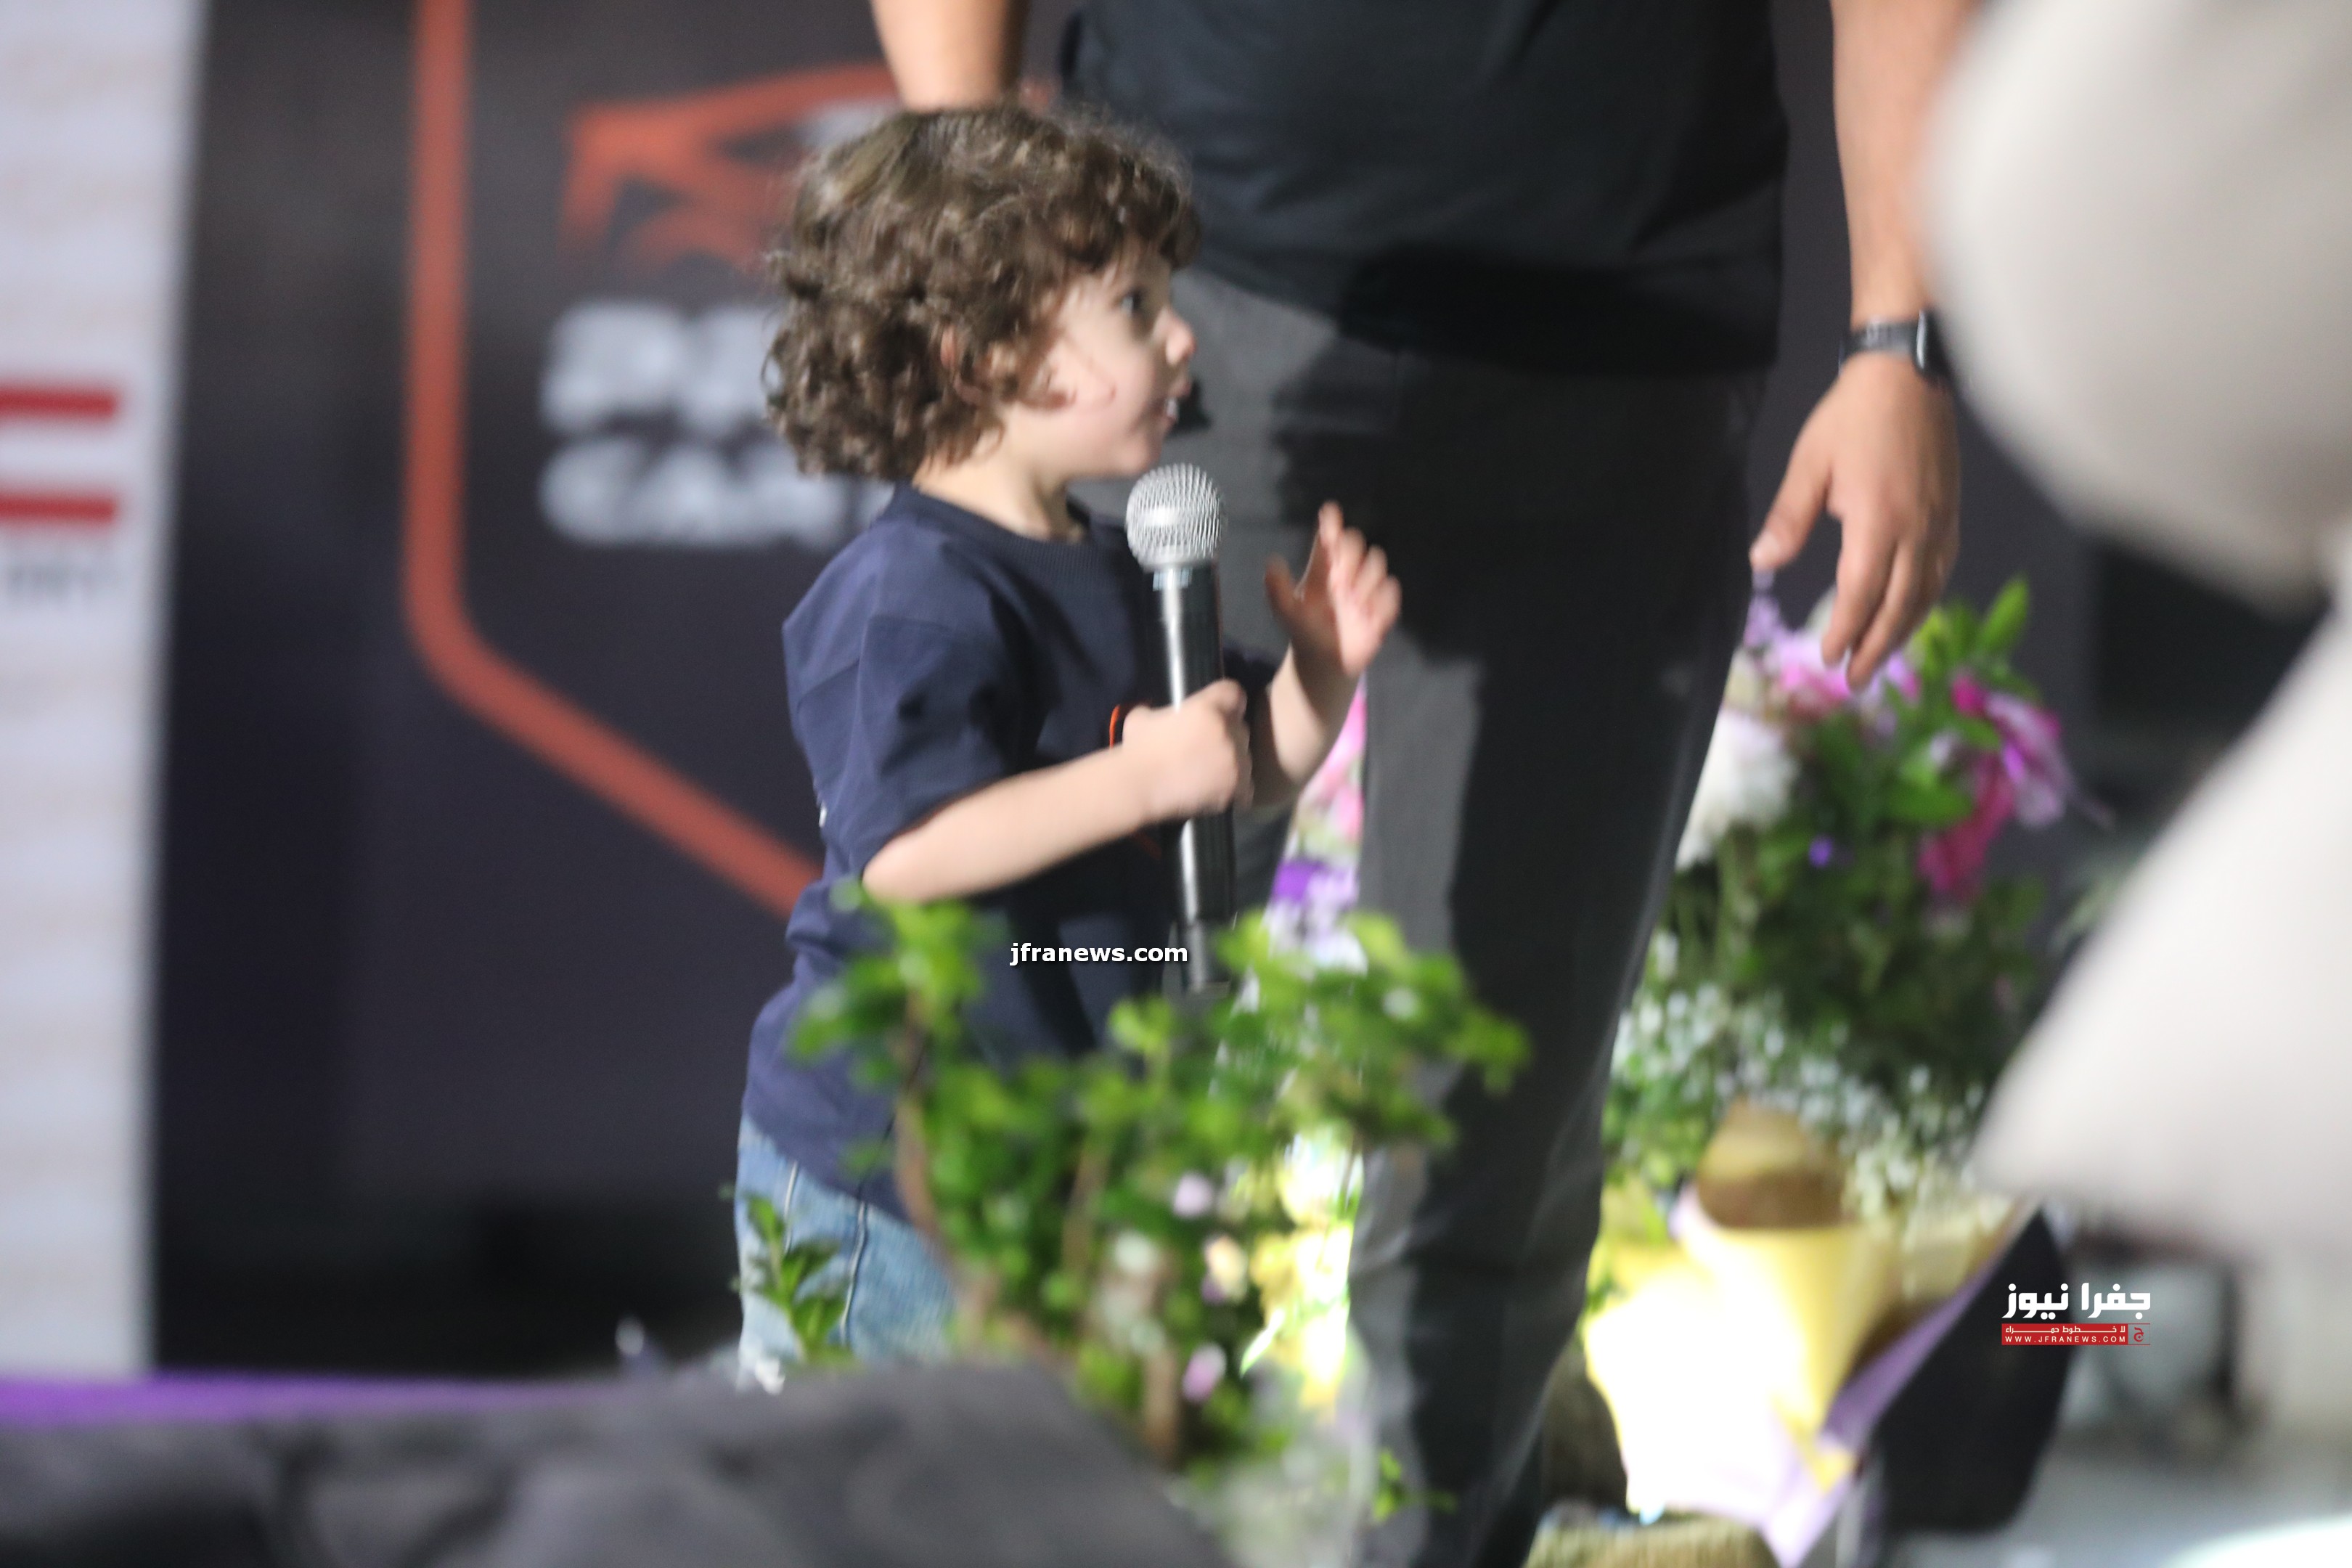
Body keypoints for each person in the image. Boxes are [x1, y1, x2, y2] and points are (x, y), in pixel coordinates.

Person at [866, 4, 1975, 1565]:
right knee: (1064, 1030)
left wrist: (1900, 338)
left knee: (1492, 1124)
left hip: (1625, 344)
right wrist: (982, 236)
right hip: (1192, 300)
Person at [734, 104, 1402, 1389]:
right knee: (877, 1477)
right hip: (892, 1175)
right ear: (986, 356)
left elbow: (1235, 770)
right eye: (1136, 308)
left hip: (1054, 1165)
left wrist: (1317, 674)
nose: (1181, 336)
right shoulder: (914, 591)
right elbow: (909, 854)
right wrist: (1137, 777)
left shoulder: (1121, 567)